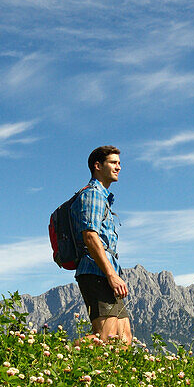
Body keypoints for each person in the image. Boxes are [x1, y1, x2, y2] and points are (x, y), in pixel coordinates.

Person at [71, 145, 132, 345]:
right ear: (98, 166)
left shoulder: (103, 197)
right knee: (105, 337)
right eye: (113, 163)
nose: (119, 167)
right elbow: (90, 236)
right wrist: (111, 275)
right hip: (95, 272)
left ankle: (112, 375)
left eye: (119, 163)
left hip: (105, 273)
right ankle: (54, 354)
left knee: (124, 338)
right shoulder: (93, 194)